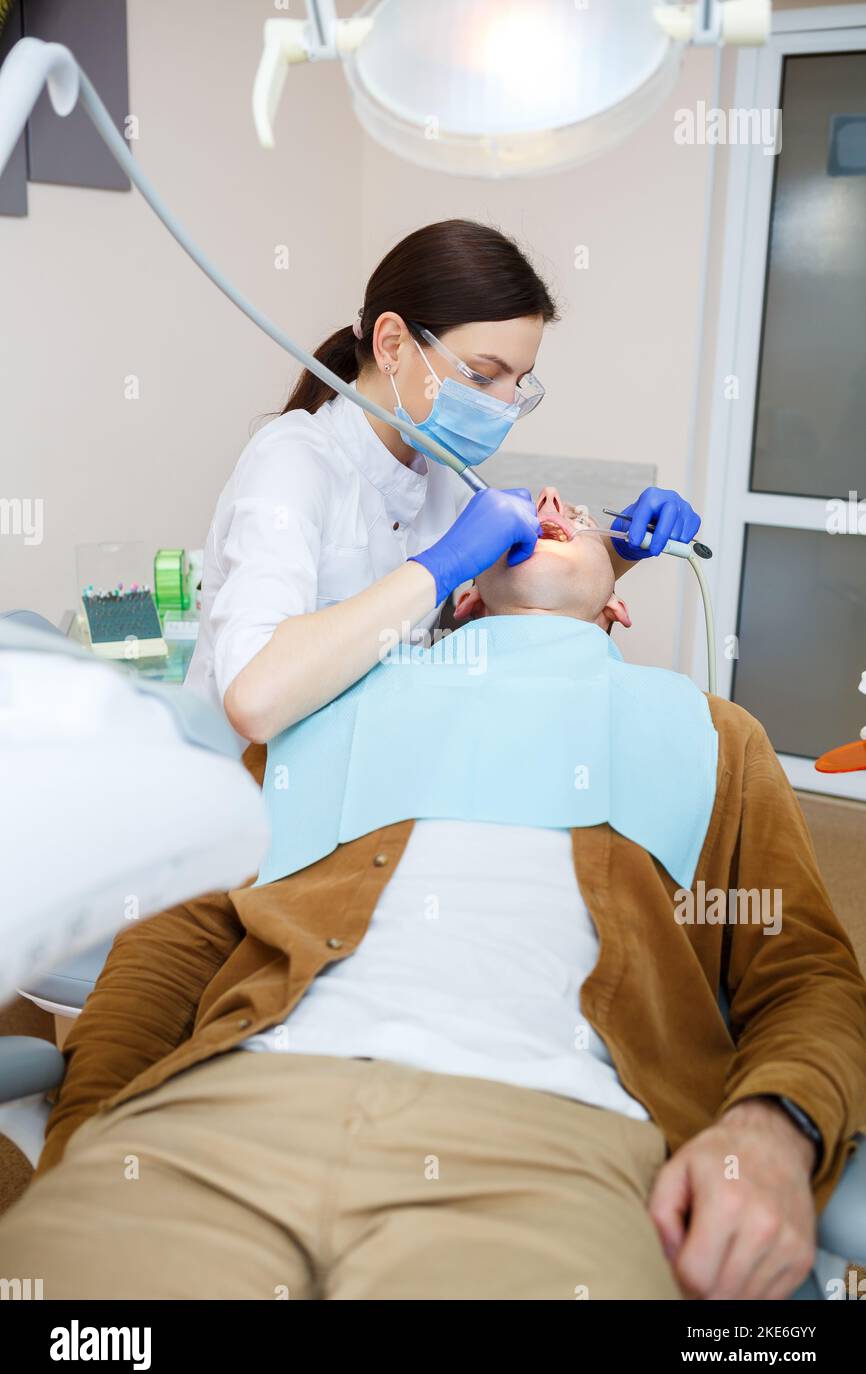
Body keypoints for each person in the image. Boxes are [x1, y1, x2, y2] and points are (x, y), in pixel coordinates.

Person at [3, 487, 865, 1302]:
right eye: (526, 509)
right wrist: (89, 1133)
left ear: (619, 609)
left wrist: (774, 1132)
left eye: (574, 516)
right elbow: (176, 938)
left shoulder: (706, 733)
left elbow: (807, 976)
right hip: (232, 1112)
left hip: (550, 1152)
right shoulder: (334, 703)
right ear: (463, 599)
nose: (549, 509)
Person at [182, 217, 700, 744]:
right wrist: (440, 565)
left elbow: (525, 595)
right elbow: (254, 699)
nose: (503, 406)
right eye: (481, 374)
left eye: (518, 382)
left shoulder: (438, 476)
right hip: (243, 791)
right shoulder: (292, 462)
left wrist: (619, 551)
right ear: (392, 345)